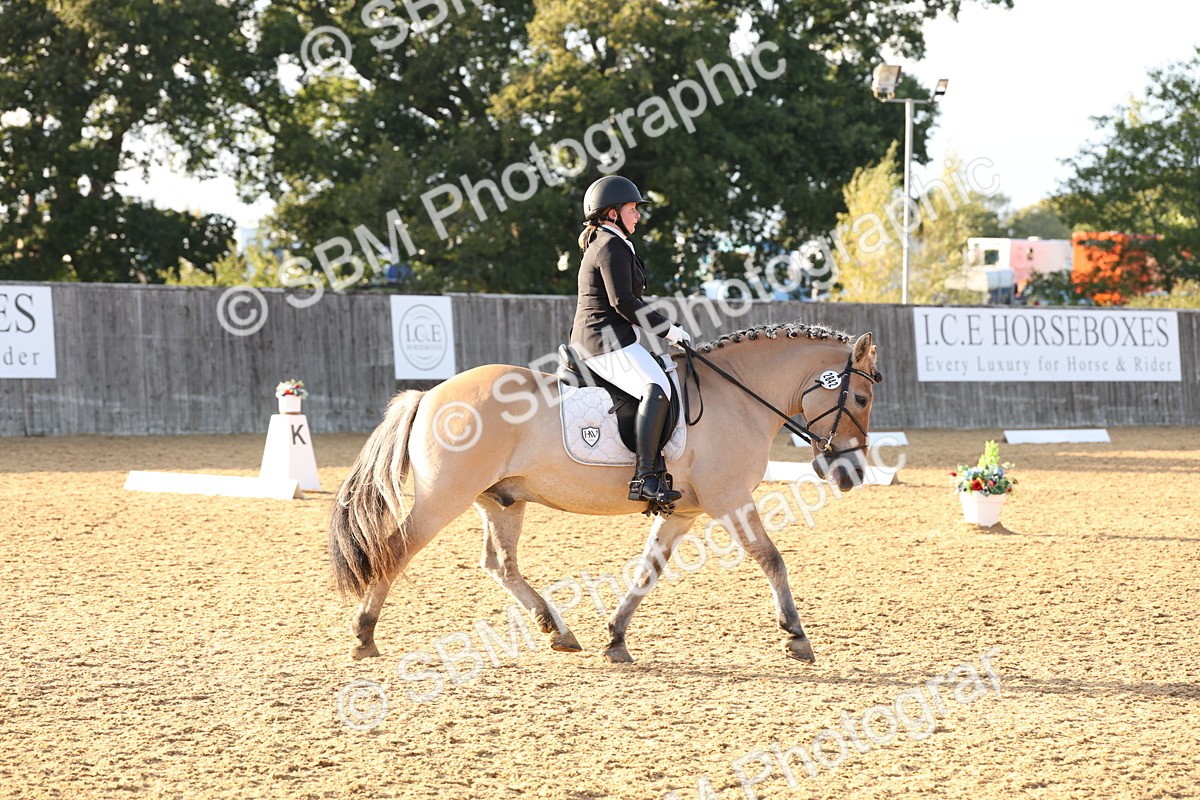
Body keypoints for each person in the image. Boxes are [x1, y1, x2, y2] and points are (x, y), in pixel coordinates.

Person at [569, 175, 692, 505]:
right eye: (632, 209)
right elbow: (623, 302)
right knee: (657, 388)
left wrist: (668, 327)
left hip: (613, 339)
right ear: (612, 213)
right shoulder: (610, 247)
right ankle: (645, 477)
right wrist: (669, 331)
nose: (638, 215)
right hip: (603, 342)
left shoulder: (614, 244)